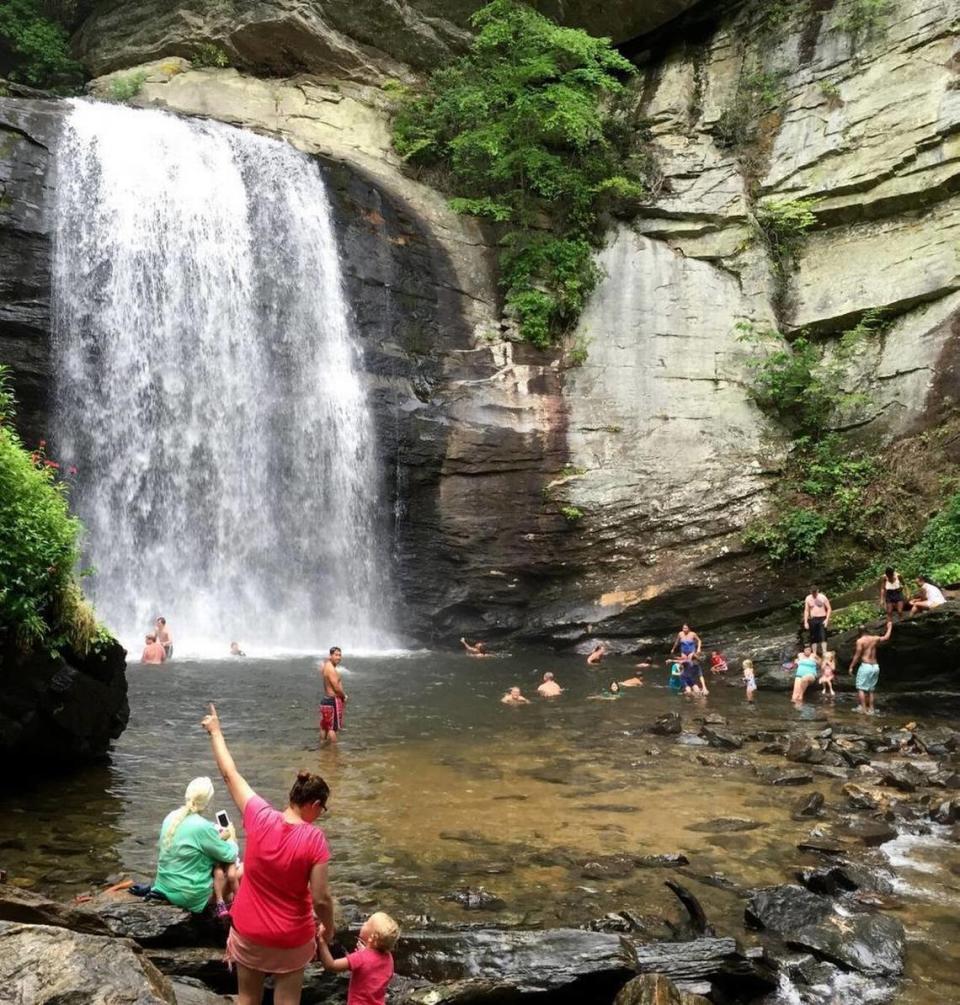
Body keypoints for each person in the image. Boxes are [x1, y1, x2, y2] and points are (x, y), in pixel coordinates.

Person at [200, 704, 334, 1005]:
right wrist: (330, 926)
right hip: (291, 936)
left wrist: (216, 731)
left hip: (249, 931)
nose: (321, 815)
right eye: (322, 809)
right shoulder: (315, 839)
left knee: (247, 999)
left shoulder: (258, 815)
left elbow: (229, 773)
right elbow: (322, 897)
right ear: (313, 803)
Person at [150, 777, 239, 919]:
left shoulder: (171, 816)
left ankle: (226, 903)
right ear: (208, 802)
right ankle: (231, 907)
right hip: (188, 897)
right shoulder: (202, 827)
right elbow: (230, 854)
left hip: (164, 887)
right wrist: (232, 837)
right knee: (241, 870)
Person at [315, 912, 398, 1005]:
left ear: (372, 938)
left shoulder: (360, 958)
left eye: (367, 923)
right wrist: (366, 952)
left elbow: (331, 965)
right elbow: (375, 970)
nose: (364, 923)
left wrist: (321, 941)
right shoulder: (389, 957)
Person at [849, 619, 893, 714]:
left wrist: (851, 666)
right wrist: (889, 627)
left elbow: (857, 655)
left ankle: (864, 709)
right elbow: (886, 637)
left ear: (859, 632)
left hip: (866, 666)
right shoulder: (874, 638)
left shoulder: (860, 641)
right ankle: (871, 709)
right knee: (871, 690)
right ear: (867, 630)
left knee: (861, 688)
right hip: (875, 666)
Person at [319, 647, 347, 745]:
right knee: (333, 728)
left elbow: (321, 670)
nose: (338, 657)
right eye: (336, 655)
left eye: (340, 655)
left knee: (324, 726)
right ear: (330, 655)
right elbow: (336, 687)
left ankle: (322, 745)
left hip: (325, 700)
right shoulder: (331, 669)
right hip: (333, 700)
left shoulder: (326, 665)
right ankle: (334, 751)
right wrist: (344, 696)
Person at [802, 587, 831, 656]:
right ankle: (814, 653)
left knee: (823, 635)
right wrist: (805, 622)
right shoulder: (808, 598)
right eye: (813, 592)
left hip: (822, 618)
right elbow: (806, 610)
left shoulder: (822, 597)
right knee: (813, 636)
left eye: (815, 592)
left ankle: (824, 651)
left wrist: (827, 619)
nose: (814, 593)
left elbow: (829, 608)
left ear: (818, 591)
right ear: (810, 591)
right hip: (813, 619)